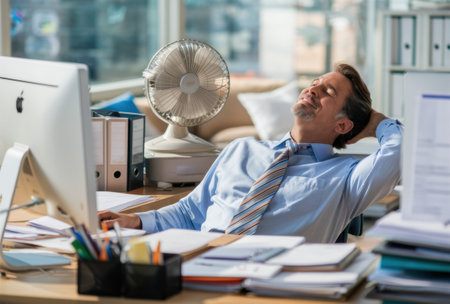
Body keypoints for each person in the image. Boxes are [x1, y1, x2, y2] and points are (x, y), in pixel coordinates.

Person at [98, 63, 402, 243]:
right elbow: (190, 212)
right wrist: (135, 222)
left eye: (328, 92)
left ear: (343, 124)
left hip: (268, 284)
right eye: (313, 84)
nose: (312, 90)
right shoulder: (242, 149)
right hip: (199, 263)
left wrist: (376, 122)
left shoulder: (347, 177)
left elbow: (400, 151)